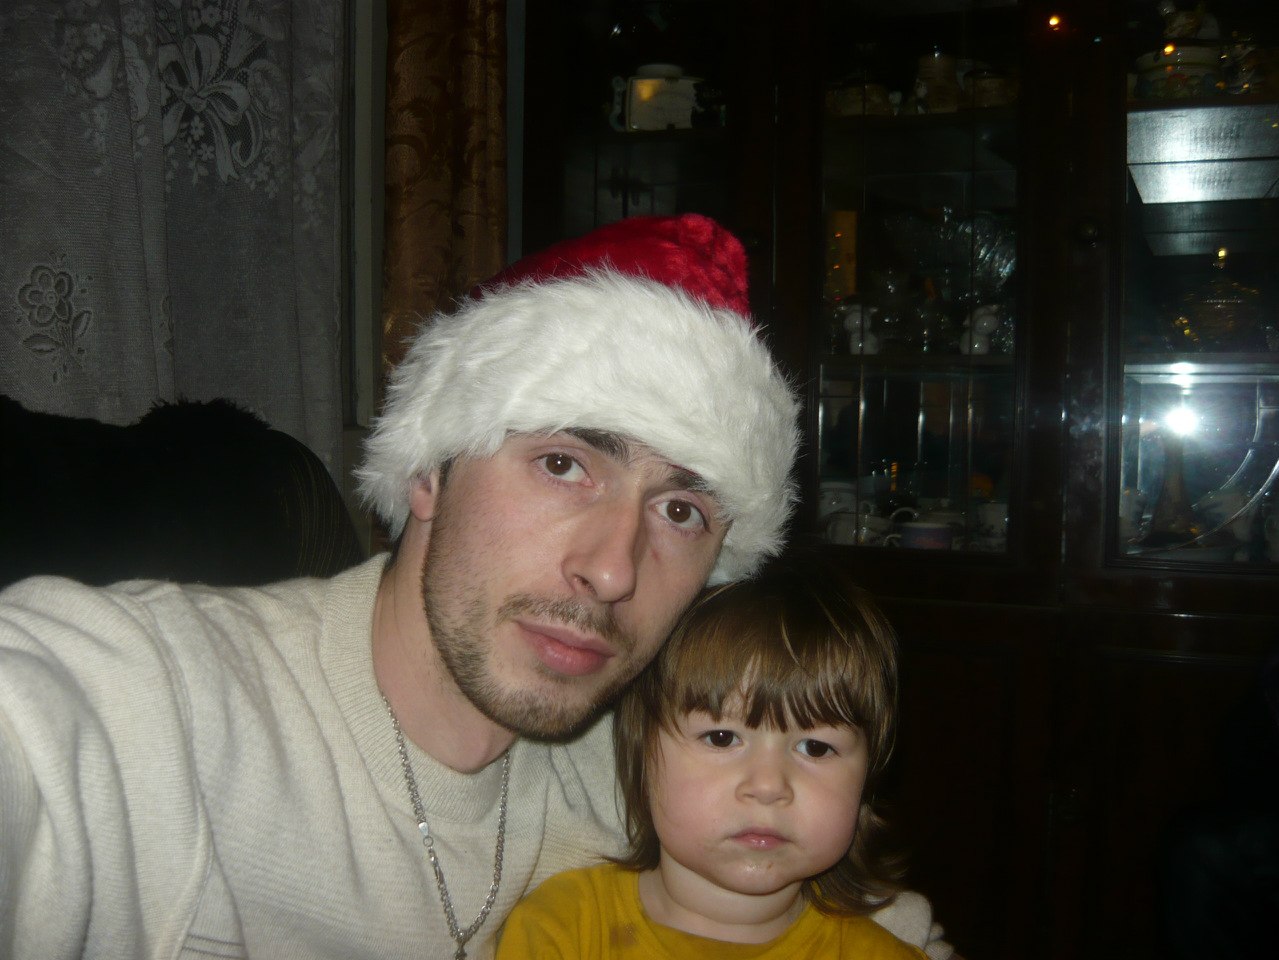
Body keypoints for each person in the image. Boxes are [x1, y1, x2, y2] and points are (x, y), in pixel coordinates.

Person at [0, 214, 947, 959]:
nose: (613, 570)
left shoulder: (655, 767)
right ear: (429, 471)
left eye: (681, 511)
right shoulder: (142, 703)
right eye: (565, 464)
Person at [495, 552, 942, 959]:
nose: (768, 786)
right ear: (641, 753)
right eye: (722, 738)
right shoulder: (562, 930)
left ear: (868, 779)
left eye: (816, 747)